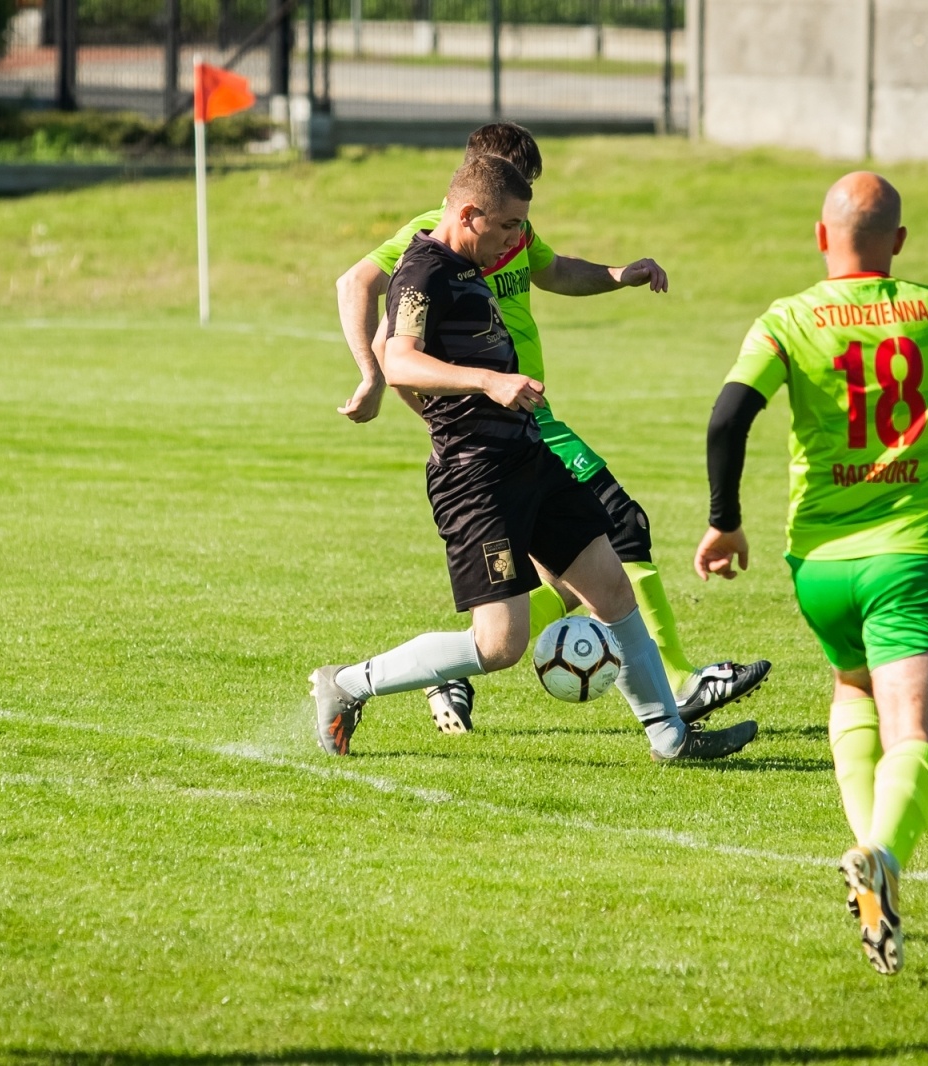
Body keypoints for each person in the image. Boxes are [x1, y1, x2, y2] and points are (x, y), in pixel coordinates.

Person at [694, 172, 928, 975]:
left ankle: (866, 862)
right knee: (916, 733)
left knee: (852, 689)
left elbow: (728, 416)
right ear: (900, 243)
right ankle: (881, 855)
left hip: (818, 564)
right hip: (911, 558)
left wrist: (723, 519)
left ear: (822, 237)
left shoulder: (789, 317)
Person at [311, 155, 759, 765]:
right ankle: (347, 685)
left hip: (528, 454)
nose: (517, 239)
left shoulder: (470, 266)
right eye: (507, 225)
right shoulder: (422, 275)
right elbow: (399, 362)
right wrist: (487, 386)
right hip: (476, 479)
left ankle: (671, 739)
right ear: (468, 214)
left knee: (612, 589)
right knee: (500, 644)